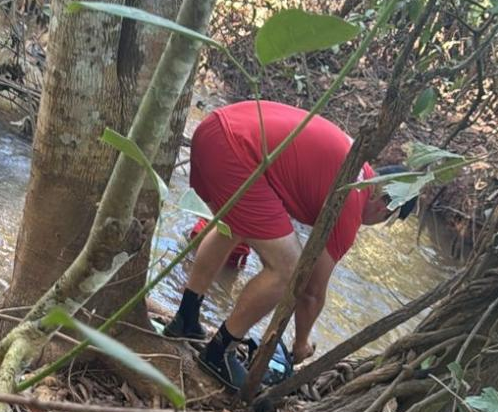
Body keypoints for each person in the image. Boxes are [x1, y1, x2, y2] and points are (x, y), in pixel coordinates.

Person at [164, 100, 417, 391]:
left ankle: (186, 318)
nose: (377, 222)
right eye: (387, 219)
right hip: (236, 150)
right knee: (289, 269)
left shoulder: (357, 166)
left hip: (214, 128)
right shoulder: (353, 201)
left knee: (232, 228)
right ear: (387, 206)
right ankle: (219, 352)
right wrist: (301, 343)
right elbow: (311, 291)